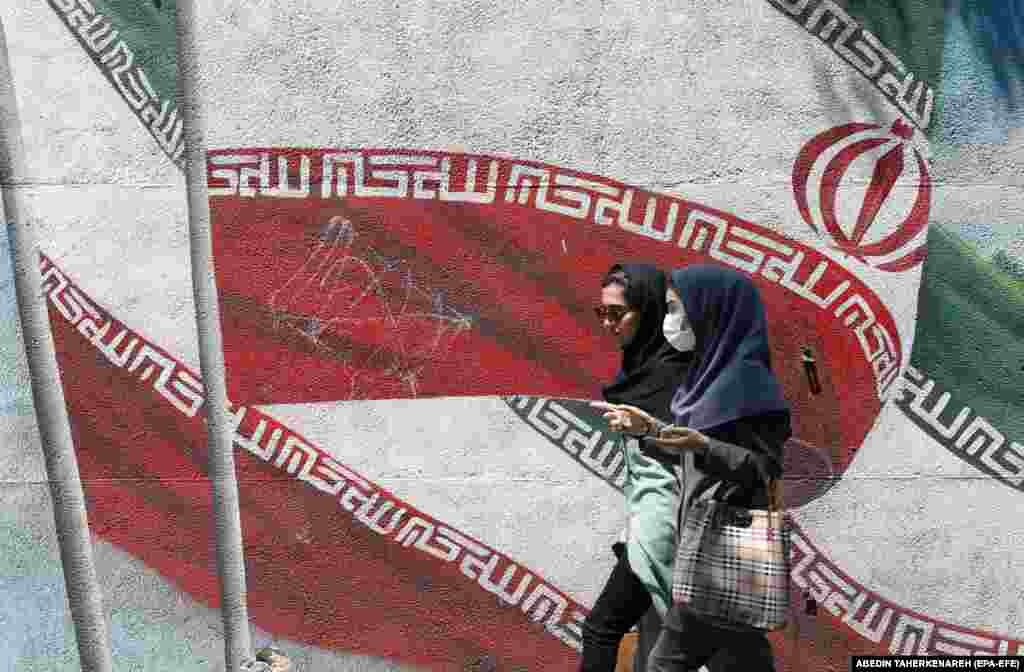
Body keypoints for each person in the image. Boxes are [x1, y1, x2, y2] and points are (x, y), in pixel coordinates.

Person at [594, 264, 791, 672]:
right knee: (742, 662)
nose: (671, 323)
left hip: (726, 551)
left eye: (677, 311)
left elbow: (763, 470)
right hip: (702, 547)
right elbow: (692, 455)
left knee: (663, 663)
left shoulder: (750, 389)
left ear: (712, 311)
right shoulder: (703, 382)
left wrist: (703, 445)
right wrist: (648, 429)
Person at [579, 264, 693, 672]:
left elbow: (696, 447)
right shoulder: (641, 368)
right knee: (663, 643)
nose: (608, 323)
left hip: (662, 522)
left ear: (647, 312)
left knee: (600, 628)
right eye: (602, 313)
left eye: (617, 313)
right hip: (647, 518)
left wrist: (649, 428)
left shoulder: (672, 372)